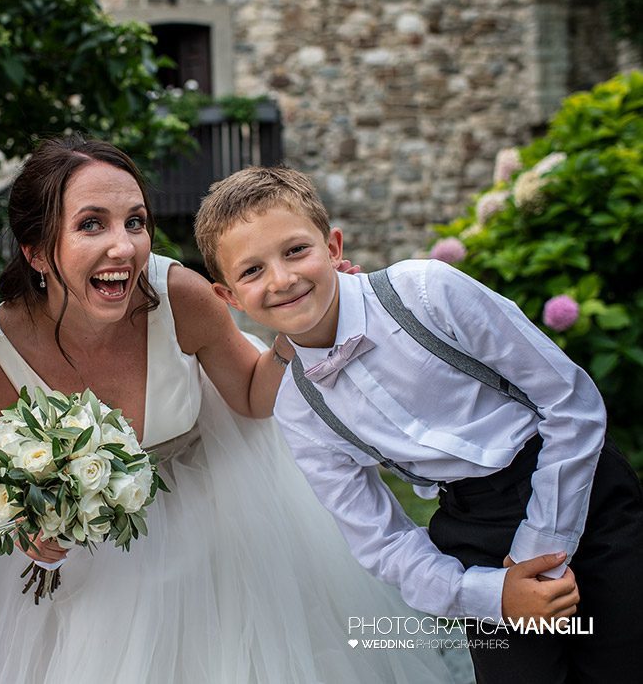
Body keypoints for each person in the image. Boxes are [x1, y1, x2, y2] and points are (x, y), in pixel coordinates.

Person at [0, 137, 454, 683]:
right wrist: (38, 535)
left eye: (135, 221)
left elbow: (252, 398)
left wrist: (293, 334)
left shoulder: (178, 294)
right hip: (96, 559)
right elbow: (16, 490)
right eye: (91, 224)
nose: (125, 247)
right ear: (37, 251)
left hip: (223, 519)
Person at [194, 166, 643, 683]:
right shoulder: (299, 407)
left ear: (334, 245)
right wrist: (490, 594)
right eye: (251, 271)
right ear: (227, 297)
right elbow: (382, 542)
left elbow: (571, 402)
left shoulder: (426, 292)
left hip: (578, 485)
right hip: (477, 534)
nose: (282, 279)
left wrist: (541, 547)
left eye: (296, 250)